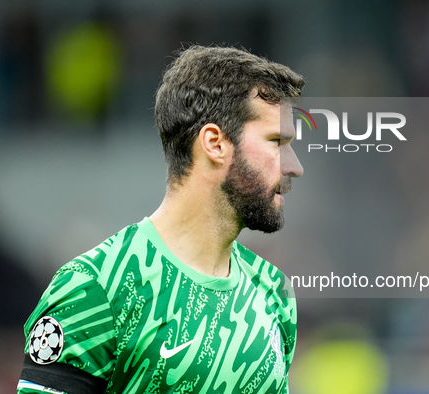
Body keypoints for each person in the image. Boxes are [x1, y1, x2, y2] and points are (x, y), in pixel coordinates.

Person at [17, 45, 305, 394]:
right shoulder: (95, 287)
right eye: (277, 142)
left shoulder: (273, 290)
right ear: (214, 144)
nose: (295, 167)